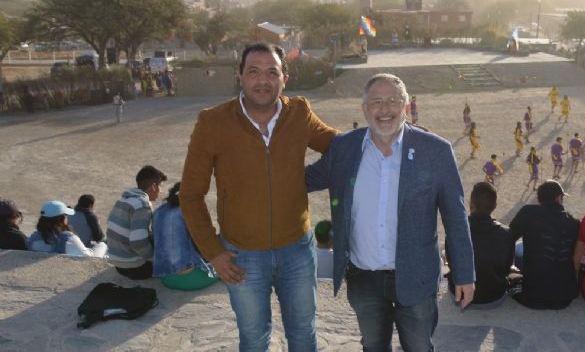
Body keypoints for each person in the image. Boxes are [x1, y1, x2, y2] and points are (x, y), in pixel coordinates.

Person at [180, 43, 337, 351]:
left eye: (271, 72)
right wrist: (213, 252)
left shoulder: (300, 113)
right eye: (253, 71)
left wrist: (390, 135)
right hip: (242, 255)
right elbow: (191, 194)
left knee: (303, 334)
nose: (262, 80)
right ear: (240, 76)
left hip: (298, 252)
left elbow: (338, 146)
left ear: (284, 78)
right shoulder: (213, 122)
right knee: (253, 339)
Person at [305, 73, 475, 352]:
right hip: (363, 277)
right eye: (376, 102)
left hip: (417, 275)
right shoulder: (344, 148)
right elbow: (302, 181)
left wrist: (465, 274)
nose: (384, 110)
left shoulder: (436, 150)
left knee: (419, 347)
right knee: (373, 346)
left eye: (393, 101)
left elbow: (455, 217)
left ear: (406, 107)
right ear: (364, 109)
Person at [510, 180, 579, 309]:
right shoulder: (574, 222)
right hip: (564, 297)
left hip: (532, 296)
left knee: (514, 269)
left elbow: (509, 238)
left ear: (539, 199)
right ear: (559, 198)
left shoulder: (528, 212)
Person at [447, 182, 513, 307]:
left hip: (460, 295)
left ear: (471, 204)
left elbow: (451, 262)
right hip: (494, 297)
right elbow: (506, 268)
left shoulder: (456, 230)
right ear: (494, 206)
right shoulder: (506, 233)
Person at [152, 182, 219, 291]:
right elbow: (204, 245)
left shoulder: (159, 211)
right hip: (188, 279)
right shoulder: (189, 214)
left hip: (165, 277)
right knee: (226, 264)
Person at [107, 165, 167, 280]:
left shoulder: (123, 199)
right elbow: (138, 242)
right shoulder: (142, 205)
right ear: (154, 187)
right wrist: (152, 258)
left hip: (118, 263)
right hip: (134, 268)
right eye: (160, 187)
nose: (160, 191)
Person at [29, 200, 107, 257]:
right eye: (66, 215)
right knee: (102, 245)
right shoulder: (68, 239)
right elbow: (89, 257)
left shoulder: (33, 238)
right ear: (62, 218)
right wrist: (102, 245)